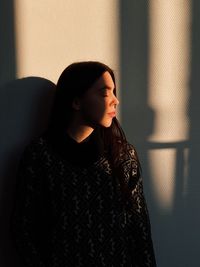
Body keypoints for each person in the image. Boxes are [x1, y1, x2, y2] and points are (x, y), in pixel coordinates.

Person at [10, 61, 157, 267]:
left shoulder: (123, 156)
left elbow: (139, 232)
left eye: (114, 91)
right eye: (105, 93)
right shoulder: (40, 156)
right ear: (76, 101)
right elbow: (23, 229)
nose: (115, 100)